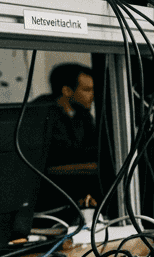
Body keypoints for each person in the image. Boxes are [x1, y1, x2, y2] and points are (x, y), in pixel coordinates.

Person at [33, 62, 102, 210]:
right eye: (87, 90)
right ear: (67, 90)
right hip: (50, 195)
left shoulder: (82, 115)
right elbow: (58, 157)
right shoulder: (42, 114)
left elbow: (93, 147)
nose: (93, 95)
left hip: (75, 190)